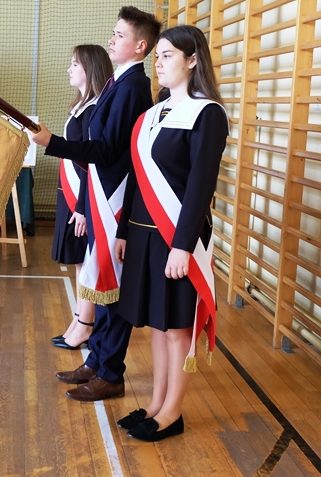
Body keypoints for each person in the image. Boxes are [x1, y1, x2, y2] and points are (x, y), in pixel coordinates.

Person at [31, 6, 161, 401]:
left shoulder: (133, 87)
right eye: (113, 32)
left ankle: (111, 373)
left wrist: (52, 143)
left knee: (112, 290)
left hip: (116, 201)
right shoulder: (117, 83)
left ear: (140, 46)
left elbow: (105, 151)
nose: (111, 39)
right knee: (102, 288)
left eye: (120, 35)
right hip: (102, 197)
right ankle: (97, 360)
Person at [113, 25, 227, 441]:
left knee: (177, 329)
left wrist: (182, 246)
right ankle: (156, 404)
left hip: (178, 238)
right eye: (157, 56)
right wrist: (123, 230)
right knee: (158, 327)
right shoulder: (152, 113)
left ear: (192, 60)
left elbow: (200, 185)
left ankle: (172, 413)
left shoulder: (206, 113)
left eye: (167, 56)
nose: (158, 63)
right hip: (143, 235)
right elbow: (137, 180)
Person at [50, 45, 113, 351]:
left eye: (75, 64)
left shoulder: (94, 109)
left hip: (83, 197)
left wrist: (83, 207)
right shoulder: (82, 105)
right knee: (78, 261)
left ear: (91, 68)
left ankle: (86, 324)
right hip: (71, 193)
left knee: (86, 261)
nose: (69, 69)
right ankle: (79, 318)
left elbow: (91, 162)